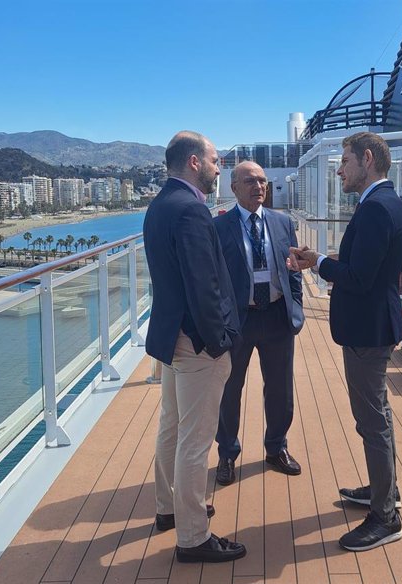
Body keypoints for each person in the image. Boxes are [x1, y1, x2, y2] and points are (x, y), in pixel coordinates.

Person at [288, 132, 402, 552]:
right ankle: (384, 493)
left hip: (367, 332)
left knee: (371, 422)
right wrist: (320, 259)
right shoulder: (385, 203)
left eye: (344, 160)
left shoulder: (376, 209)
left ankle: (385, 517)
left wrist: (319, 263)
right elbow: (365, 266)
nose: (339, 169)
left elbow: (359, 278)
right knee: (380, 416)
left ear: (367, 159)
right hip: (374, 327)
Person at [143, 131, 246, 563]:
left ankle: (168, 508)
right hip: (196, 342)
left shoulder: (159, 206)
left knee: (171, 427)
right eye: (215, 160)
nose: (219, 167)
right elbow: (203, 286)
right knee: (195, 439)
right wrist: (217, 341)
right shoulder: (190, 210)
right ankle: (193, 537)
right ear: (193, 162)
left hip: (171, 337)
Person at [214, 161, 304, 485]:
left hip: (277, 316)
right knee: (229, 389)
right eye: (250, 180)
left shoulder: (282, 222)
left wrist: (297, 308)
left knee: (280, 389)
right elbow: (214, 280)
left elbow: (293, 268)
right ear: (233, 187)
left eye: (263, 181)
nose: (259, 186)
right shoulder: (219, 228)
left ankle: (276, 447)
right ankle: (227, 453)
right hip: (239, 320)